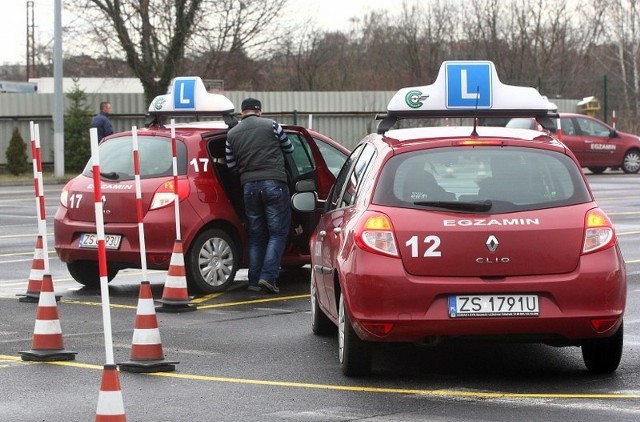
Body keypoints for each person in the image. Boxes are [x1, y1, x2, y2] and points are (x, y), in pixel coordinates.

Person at [225, 98, 294, 294]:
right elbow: (289, 148)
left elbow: (230, 166)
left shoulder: (232, 134)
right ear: (259, 112)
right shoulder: (272, 125)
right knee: (278, 233)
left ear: (242, 113)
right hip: (274, 183)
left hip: (248, 187)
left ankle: (254, 281)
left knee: (256, 236)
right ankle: (268, 277)